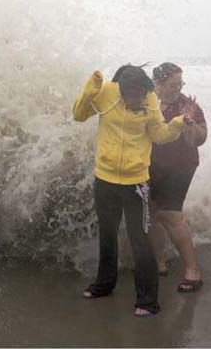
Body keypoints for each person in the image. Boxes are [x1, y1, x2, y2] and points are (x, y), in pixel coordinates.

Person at [72, 65, 193, 317]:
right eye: (133, 95)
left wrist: (179, 123)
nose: (139, 100)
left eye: (142, 94)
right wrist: (90, 88)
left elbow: (159, 135)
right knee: (107, 234)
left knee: (141, 240)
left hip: (137, 182)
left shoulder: (149, 98)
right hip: (104, 179)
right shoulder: (106, 93)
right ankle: (103, 285)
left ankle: (148, 301)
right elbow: (78, 114)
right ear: (121, 90)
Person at [149, 62, 207, 293]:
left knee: (170, 214)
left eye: (180, 83)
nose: (178, 88)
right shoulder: (148, 101)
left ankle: (193, 271)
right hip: (151, 166)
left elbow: (200, 139)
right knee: (152, 212)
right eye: (173, 84)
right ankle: (158, 262)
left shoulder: (188, 105)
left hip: (181, 166)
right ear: (158, 84)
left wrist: (190, 124)